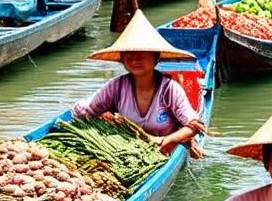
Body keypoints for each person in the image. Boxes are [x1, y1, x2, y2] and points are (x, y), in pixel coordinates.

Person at [72, 10, 207, 156]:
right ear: (122, 59)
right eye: (129, 53)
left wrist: (171, 139)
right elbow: (84, 112)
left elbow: (194, 125)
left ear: (156, 58)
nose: (135, 59)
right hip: (127, 152)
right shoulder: (116, 87)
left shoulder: (169, 89)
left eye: (143, 53)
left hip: (162, 151)